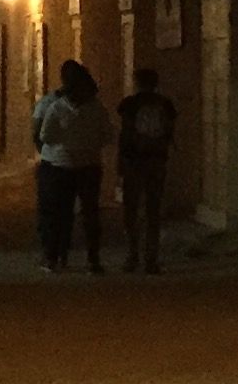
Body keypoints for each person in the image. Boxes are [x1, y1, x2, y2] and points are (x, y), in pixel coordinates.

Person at [32, 58, 112, 272]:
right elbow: (107, 135)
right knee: (90, 213)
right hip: (89, 166)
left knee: (57, 213)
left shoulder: (56, 106)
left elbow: (44, 135)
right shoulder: (97, 108)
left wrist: (63, 145)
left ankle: (53, 257)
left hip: (58, 165)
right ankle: (93, 260)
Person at [116, 62, 178, 272]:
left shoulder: (129, 105)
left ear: (137, 83)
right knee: (153, 209)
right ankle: (151, 259)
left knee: (131, 210)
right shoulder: (165, 104)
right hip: (156, 161)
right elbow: (170, 132)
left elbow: (125, 135)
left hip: (134, 161)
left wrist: (120, 162)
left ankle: (132, 255)